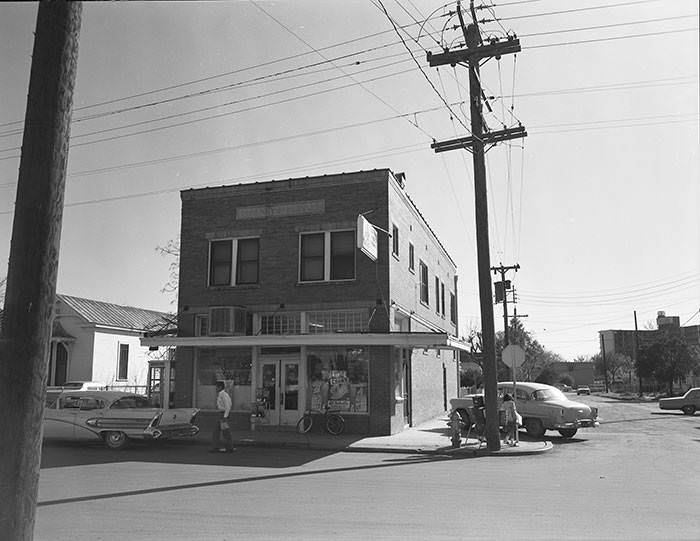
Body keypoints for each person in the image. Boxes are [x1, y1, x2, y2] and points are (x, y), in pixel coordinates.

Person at [210, 381, 235, 453]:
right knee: (216, 431)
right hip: (221, 414)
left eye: (217, 387)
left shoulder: (223, 395)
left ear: (220, 387)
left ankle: (229, 448)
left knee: (225, 432)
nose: (216, 388)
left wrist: (225, 416)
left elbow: (228, 406)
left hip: (223, 414)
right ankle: (215, 447)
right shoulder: (221, 394)